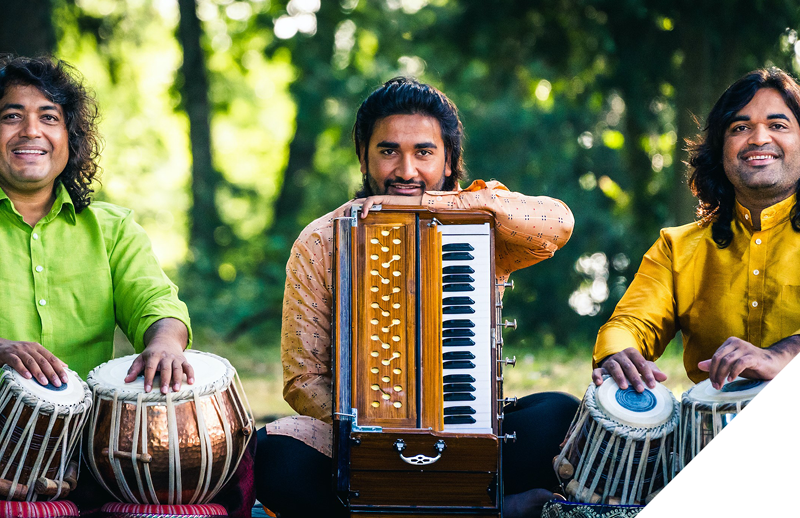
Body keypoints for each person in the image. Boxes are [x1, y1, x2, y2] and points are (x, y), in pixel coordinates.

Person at [255, 77, 577, 517]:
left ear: (449, 161)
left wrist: (442, 207)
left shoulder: (482, 223)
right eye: (388, 151)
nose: (406, 171)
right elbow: (302, 380)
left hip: (468, 433)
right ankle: (486, 512)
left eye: (423, 152)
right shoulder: (323, 240)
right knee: (275, 457)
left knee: (559, 415)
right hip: (360, 441)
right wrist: (381, 426)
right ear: (364, 159)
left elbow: (557, 222)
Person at [0, 55, 253, 517]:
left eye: (49, 118)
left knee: (231, 460)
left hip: (96, 446)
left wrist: (164, 345)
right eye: (11, 116)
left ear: (68, 139)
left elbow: (158, 306)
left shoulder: (112, 229)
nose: (30, 131)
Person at [592, 67, 800, 393]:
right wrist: (618, 353)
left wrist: (782, 356)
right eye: (740, 127)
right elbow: (631, 324)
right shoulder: (676, 248)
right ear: (720, 151)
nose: (759, 138)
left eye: (777, 125)